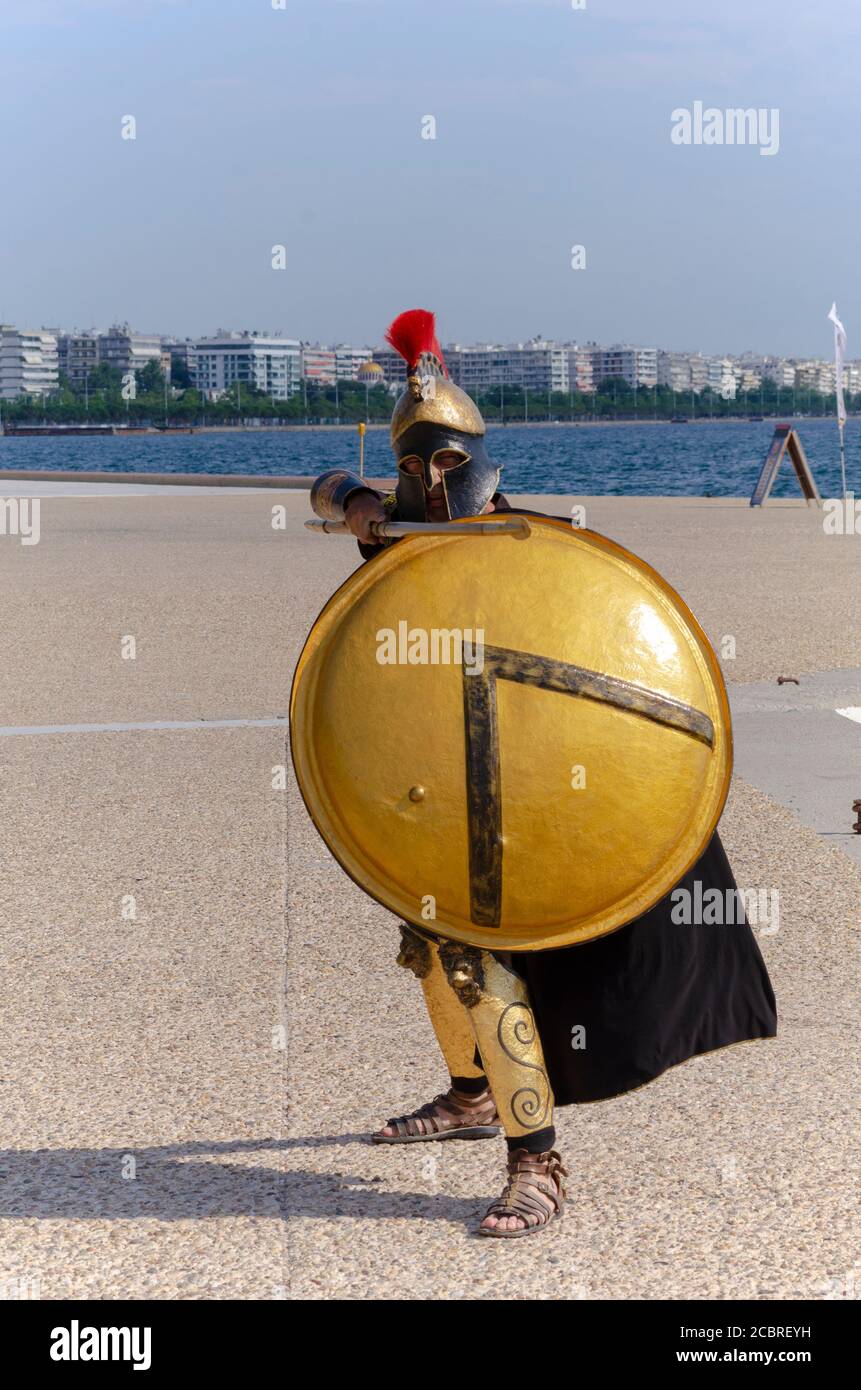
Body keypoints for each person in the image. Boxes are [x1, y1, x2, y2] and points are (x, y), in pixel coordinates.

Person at [307, 309, 777, 1238]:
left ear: (480, 461)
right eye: (413, 466)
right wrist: (355, 498)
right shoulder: (394, 542)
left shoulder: (530, 549)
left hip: (531, 806)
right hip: (429, 801)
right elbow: (319, 486)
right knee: (429, 956)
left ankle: (538, 1164)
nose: (430, 482)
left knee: (484, 968)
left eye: (446, 463)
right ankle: (469, 1095)